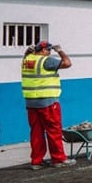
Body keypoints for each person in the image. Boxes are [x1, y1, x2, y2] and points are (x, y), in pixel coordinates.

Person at [20, 40, 75, 170]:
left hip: (31, 102)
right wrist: (60, 50)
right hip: (47, 102)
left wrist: (27, 52)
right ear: (44, 50)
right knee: (53, 130)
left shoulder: (27, 60)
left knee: (36, 132)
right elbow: (67, 63)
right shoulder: (46, 61)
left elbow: (26, 58)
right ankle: (58, 159)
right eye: (49, 50)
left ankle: (36, 161)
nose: (50, 53)